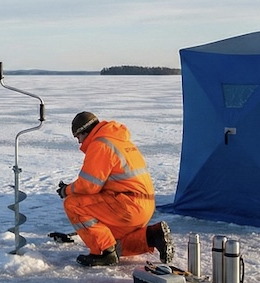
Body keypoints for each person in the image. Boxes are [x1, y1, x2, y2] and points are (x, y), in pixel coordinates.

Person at [58, 111, 174, 267]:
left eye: (78, 137)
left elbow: (88, 186)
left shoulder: (100, 144)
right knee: (115, 242)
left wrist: (66, 190)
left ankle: (105, 252)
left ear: (84, 132)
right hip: (143, 206)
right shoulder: (120, 141)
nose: (79, 143)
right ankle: (153, 235)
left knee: (72, 203)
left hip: (128, 206)